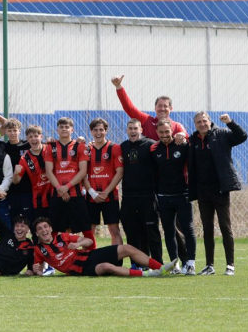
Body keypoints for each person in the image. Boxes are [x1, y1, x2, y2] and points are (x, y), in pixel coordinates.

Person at [189, 112, 248, 277]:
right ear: (195, 124)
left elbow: (242, 136)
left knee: (225, 227)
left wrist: (231, 122)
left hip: (220, 189)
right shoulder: (193, 140)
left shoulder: (221, 134)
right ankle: (209, 265)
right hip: (202, 190)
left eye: (204, 121)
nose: (202, 124)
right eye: (199, 122)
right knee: (207, 229)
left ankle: (230, 265)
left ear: (210, 121)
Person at [31, 218, 175, 277]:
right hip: (80, 269)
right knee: (106, 266)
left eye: (45, 227)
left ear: (50, 228)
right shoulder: (38, 249)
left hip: (89, 255)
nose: (44, 231)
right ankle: (149, 274)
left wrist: (78, 244)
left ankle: (161, 269)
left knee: (126, 248)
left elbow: (88, 241)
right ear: (37, 233)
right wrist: (35, 271)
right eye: (40, 229)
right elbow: (38, 269)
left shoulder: (63, 237)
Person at [151, 119, 197, 275]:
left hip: (183, 195)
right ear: (157, 132)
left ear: (172, 130)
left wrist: (183, 135)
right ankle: (175, 265)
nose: (164, 135)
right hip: (163, 197)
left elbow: (194, 144)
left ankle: (190, 264)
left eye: (167, 131)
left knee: (188, 229)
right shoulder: (153, 148)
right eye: (161, 132)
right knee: (169, 231)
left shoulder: (183, 145)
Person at [44, 117, 95, 247]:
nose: (64, 129)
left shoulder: (80, 146)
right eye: (61, 127)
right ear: (57, 129)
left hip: (76, 194)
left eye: (67, 127)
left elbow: (83, 171)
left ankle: (92, 259)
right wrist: (59, 188)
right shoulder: (51, 147)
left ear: (72, 129)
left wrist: (66, 187)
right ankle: (51, 261)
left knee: (86, 229)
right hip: (57, 194)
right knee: (53, 230)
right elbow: (49, 171)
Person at [119, 118, 164, 262]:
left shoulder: (150, 145)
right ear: (127, 130)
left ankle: (157, 263)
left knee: (151, 231)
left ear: (141, 130)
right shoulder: (123, 147)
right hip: (128, 196)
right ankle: (137, 264)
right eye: (130, 128)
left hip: (148, 196)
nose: (133, 131)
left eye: (135, 128)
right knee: (132, 232)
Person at [82, 118, 123, 246]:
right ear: (91, 131)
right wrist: (92, 192)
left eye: (101, 130)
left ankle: (116, 261)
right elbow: (82, 173)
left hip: (110, 195)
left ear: (106, 131)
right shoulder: (86, 149)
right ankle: (86, 261)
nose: (98, 133)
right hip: (91, 195)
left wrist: (106, 192)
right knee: (89, 231)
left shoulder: (114, 148)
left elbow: (120, 172)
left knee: (114, 230)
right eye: (95, 130)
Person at [111, 75, 187, 139]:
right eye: (159, 106)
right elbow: (129, 108)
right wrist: (118, 86)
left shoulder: (177, 126)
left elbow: (187, 139)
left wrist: (183, 135)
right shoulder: (147, 121)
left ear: (171, 109)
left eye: (165, 106)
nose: (162, 109)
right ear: (155, 108)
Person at [11, 125, 51, 223]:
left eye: (36, 136)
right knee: (40, 227)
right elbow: (16, 181)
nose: (33, 139)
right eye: (30, 137)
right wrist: (15, 174)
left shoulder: (50, 150)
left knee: (57, 227)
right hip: (39, 199)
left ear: (41, 137)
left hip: (54, 195)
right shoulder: (24, 158)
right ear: (27, 139)